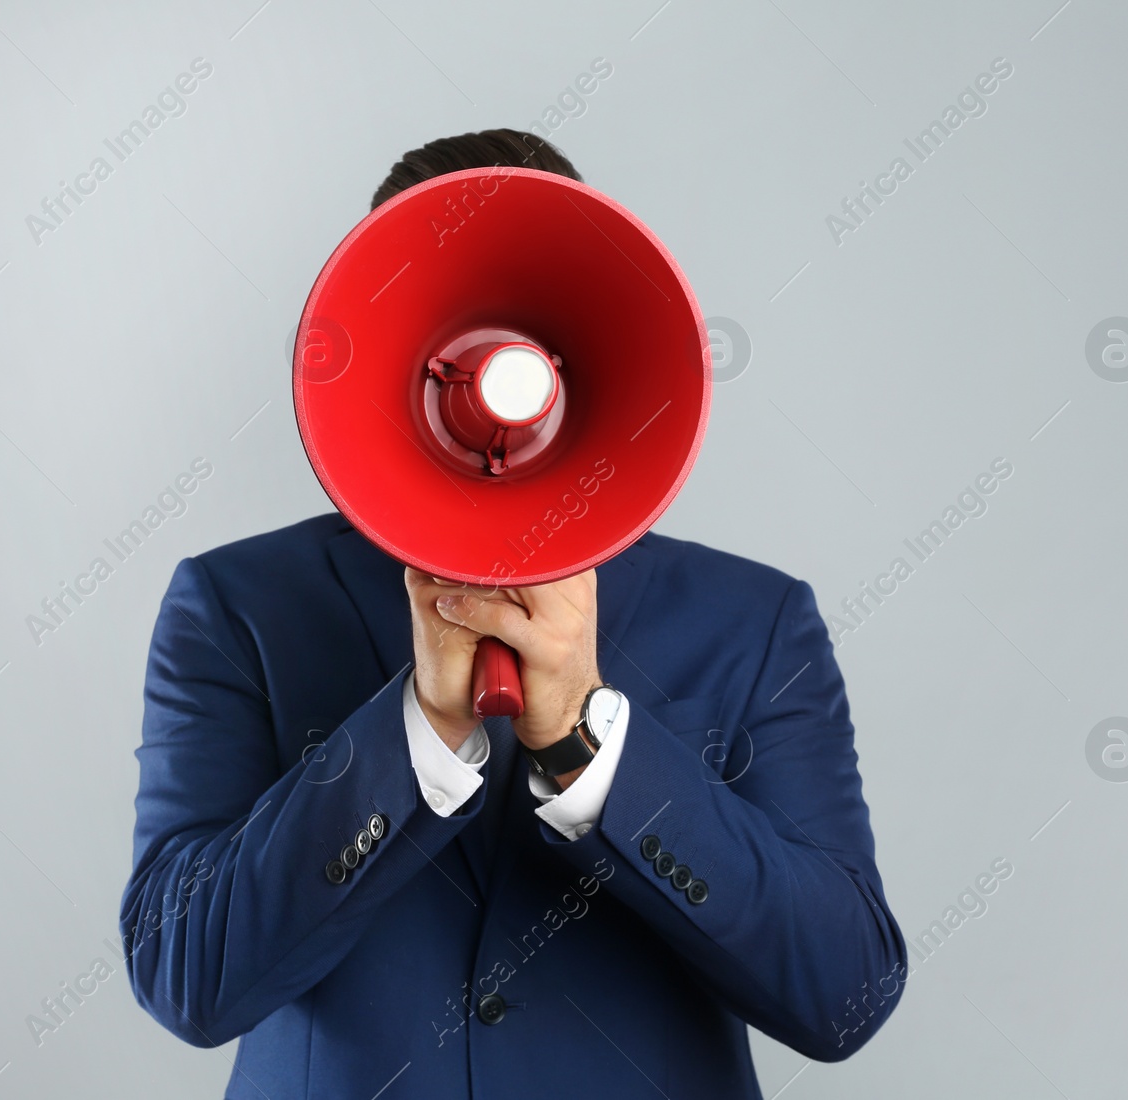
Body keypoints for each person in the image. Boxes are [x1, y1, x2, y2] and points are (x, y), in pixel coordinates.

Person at [121, 129, 905, 1099]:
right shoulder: (237, 606)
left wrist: (594, 751)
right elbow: (184, 976)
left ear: (578, 359)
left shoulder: (752, 621)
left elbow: (846, 995)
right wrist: (417, 732)